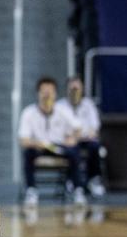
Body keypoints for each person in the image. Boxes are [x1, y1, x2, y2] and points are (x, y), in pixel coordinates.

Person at [18, 77, 86, 206]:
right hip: (39, 147)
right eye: (44, 92)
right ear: (38, 93)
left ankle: (77, 189)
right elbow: (23, 140)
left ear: (55, 94)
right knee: (28, 153)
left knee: (74, 151)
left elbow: (78, 128)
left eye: (50, 92)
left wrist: (73, 138)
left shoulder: (63, 110)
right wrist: (37, 143)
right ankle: (31, 190)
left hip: (58, 146)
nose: (47, 95)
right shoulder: (28, 113)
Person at [55, 77, 105, 197]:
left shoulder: (89, 104)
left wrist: (85, 135)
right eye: (72, 88)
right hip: (67, 141)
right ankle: (71, 180)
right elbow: (57, 129)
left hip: (86, 139)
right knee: (72, 149)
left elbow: (94, 128)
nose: (74, 91)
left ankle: (93, 180)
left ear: (82, 89)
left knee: (95, 145)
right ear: (67, 90)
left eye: (77, 88)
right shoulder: (60, 106)